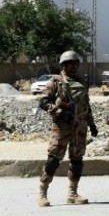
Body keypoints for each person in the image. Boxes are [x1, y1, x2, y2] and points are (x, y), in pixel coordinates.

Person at [37, 50, 98, 207]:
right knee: (53, 160)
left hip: (80, 127)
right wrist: (58, 112)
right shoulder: (56, 82)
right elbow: (43, 102)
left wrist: (91, 124)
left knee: (77, 160)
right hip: (62, 127)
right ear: (64, 65)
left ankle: (72, 193)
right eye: (70, 64)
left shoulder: (82, 82)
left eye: (76, 64)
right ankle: (42, 193)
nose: (74, 67)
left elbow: (86, 105)